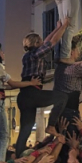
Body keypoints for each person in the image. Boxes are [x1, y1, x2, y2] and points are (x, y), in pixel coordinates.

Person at [0, 40, 41, 163]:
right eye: (1, 51)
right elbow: (12, 83)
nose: (3, 53)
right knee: (4, 135)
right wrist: (31, 83)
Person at [16, 22, 70, 155]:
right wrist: (64, 26)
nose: (42, 43)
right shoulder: (35, 55)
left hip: (24, 96)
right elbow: (52, 43)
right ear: (36, 43)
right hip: (32, 92)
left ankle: (18, 154)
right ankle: (51, 125)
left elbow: (47, 41)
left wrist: (57, 28)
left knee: (26, 128)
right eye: (39, 41)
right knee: (62, 97)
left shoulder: (28, 56)